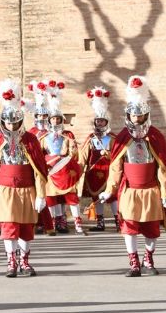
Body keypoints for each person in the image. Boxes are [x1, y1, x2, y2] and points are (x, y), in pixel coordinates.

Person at [99, 75, 166, 277]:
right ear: (128, 116)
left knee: (151, 228)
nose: (137, 120)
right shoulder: (122, 137)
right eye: (133, 116)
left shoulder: (156, 137)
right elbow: (116, 167)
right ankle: (133, 262)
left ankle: (148, 260)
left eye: (140, 116)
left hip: (150, 190)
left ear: (146, 115)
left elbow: (163, 167)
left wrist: (165, 192)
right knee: (129, 228)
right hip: (130, 190)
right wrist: (109, 190)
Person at [0, 79, 48, 277]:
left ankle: (25, 262)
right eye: (9, 122)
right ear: (3, 122)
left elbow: (39, 171)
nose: (12, 125)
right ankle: (11, 262)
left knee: (25, 227)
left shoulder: (31, 140)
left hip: (27, 190)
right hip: (5, 190)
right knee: (8, 226)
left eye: (15, 122)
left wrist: (41, 195)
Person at [39, 80, 84, 234]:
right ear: (49, 120)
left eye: (58, 119)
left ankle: (77, 223)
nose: (55, 121)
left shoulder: (68, 135)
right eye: (53, 119)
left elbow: (74, 152)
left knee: (70, 196)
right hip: (51, 170)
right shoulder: (44, 137)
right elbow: (40, 153)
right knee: (51, 197)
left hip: (64, 169)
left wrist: (69, 154)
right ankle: (53, 223)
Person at [80, 86, 119, 231]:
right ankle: (100, 222)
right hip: (93, 171)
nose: (100, 123)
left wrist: (108, 155)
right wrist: (78, 168)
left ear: (106, 122)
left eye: (102, 121)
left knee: (113, 197)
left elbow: (118, 155)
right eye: (98, 121)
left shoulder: (113, 138)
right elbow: (83, 156)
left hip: (109, 171)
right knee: (96, 198)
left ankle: (118, 221)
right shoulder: (91, 138)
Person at [26, 80, 55, 236]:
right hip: (32, 167)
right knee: (33, 197)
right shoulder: (30, 132)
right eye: (40, 115)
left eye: (45, 115)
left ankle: (49, 224)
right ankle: (34, 223)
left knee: (45, 196)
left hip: (48, 166)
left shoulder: (53, 133)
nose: (43, 117)